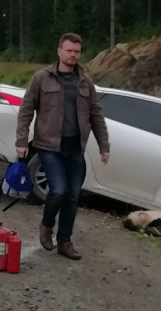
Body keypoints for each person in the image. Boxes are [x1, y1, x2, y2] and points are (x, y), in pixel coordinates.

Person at [15, 32, 109, 260]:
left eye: (77, 51)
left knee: (73, 196)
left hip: (75, 147)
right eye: (69, 50)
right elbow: (26, 110)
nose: (73, 55)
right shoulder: (41, 78)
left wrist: (103, 145)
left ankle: (65, 241)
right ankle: (46, 225)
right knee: (58, 190)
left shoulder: (85, 81)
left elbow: (96, 114)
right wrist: (21, 141)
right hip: (49, 146)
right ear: (59, 51)